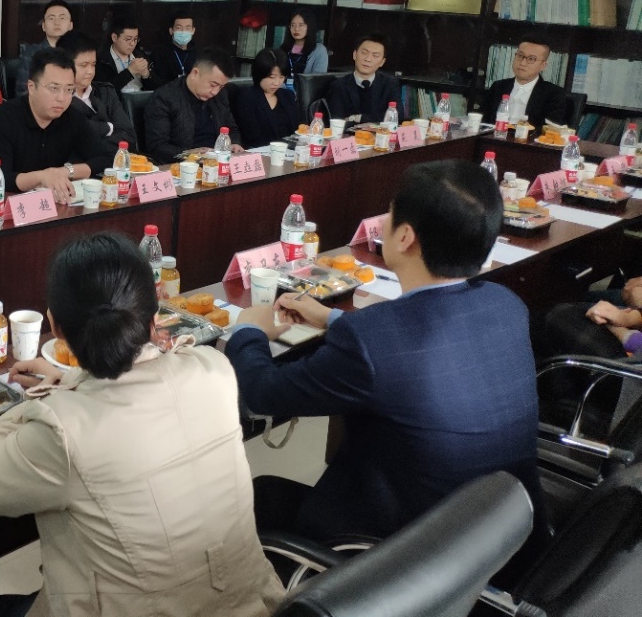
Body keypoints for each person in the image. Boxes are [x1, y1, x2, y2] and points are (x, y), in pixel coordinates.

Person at [0, 233, 284, 617]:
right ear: (155, 315)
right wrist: (70, 388)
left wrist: (42, 398)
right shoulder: (214, 369)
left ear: (55, 326)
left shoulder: (62, 431)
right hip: (254, 607)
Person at [225, 159, 541, 542]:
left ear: (405, 236)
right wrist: (333, 319)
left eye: (389, 214)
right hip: (504, 531)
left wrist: (249, 330)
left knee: (262, 495)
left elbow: (263, 393)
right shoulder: (507, 304)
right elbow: (407, 343)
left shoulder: (371, 342)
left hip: (408, 550)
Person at [0, 49, 113, 205]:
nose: (61, 98)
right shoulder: (0, 119)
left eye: (69, 89)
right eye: (54, 88)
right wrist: (42, 177)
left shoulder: (72, 117)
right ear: (31, 87)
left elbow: (106, 158)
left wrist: (66, 171)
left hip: (50, 206)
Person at [144, 47, 239, 163]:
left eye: (221, 86)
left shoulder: (221, 95)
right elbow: (157, 146)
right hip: (183, 166)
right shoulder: (164, 98)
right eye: (213, 85)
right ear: (195, 73)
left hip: (216, 162)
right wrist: (190, 155)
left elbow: (231, 128)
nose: (215, 92)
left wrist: (234, 144)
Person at [58, 31, 137, 151]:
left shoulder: (106, 92)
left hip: (114, 161)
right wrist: (108, 128)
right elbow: (70, 141)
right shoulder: (57, 98)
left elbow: (129, 137)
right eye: (84, 65)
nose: (90, 71)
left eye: (93, 65)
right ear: (65, 65)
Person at [485, 38, 567, 131]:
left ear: (543, 65)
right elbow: (484, 121)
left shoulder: (554, 94)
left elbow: (548, 130)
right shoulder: (498, 86)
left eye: (531, 59)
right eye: (520, 56)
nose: (522, 63)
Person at [323, 33, 400, 124]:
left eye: (375, 55)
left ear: (382, 62)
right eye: (364, 53)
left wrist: (357, 118)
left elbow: (397, 116)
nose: (368, 59)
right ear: (354, 55)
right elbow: (337, 122)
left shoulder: (390, 84)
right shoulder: (338, 86)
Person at [232, 49, 300, 148]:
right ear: (259, 74)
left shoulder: (288, 96)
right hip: (260, 151)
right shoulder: (246, 96)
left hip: (289, 151)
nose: (276, 83)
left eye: (281, 77)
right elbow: (252, 137)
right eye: (272, 77)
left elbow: (297, 131)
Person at [15, 0, 74, 96]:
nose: (57, 22)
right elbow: (23, 90)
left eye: (62, 18)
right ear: (43, 26)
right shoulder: (31, 54)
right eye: (51, 18)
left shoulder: (77, 54)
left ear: (71, 25)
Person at [93, 15, 151, 94]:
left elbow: (158, 90)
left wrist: (146, 75)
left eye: (135, 39)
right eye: (128, 39)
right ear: (114, 37)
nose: (132, 43)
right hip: (117, 100)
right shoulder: (102, 59)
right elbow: (103, 91)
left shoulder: (141, 55)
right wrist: (129, 72)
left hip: (142, 99)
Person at [148, 13, 197, 89]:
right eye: (179, 28)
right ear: (171, 31)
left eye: (187, 28)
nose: (183, 32)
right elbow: (155, 82)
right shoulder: (159, 54)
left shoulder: (200, 54)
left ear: (193, 31)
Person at [278, 11, 328, 82]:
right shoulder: (283, 48)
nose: (296, 29)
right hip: (282, 88)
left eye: (301, 25)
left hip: (305, 88)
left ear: (309, 27)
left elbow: (318, 80)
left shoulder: (319, 50)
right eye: (293, 25)